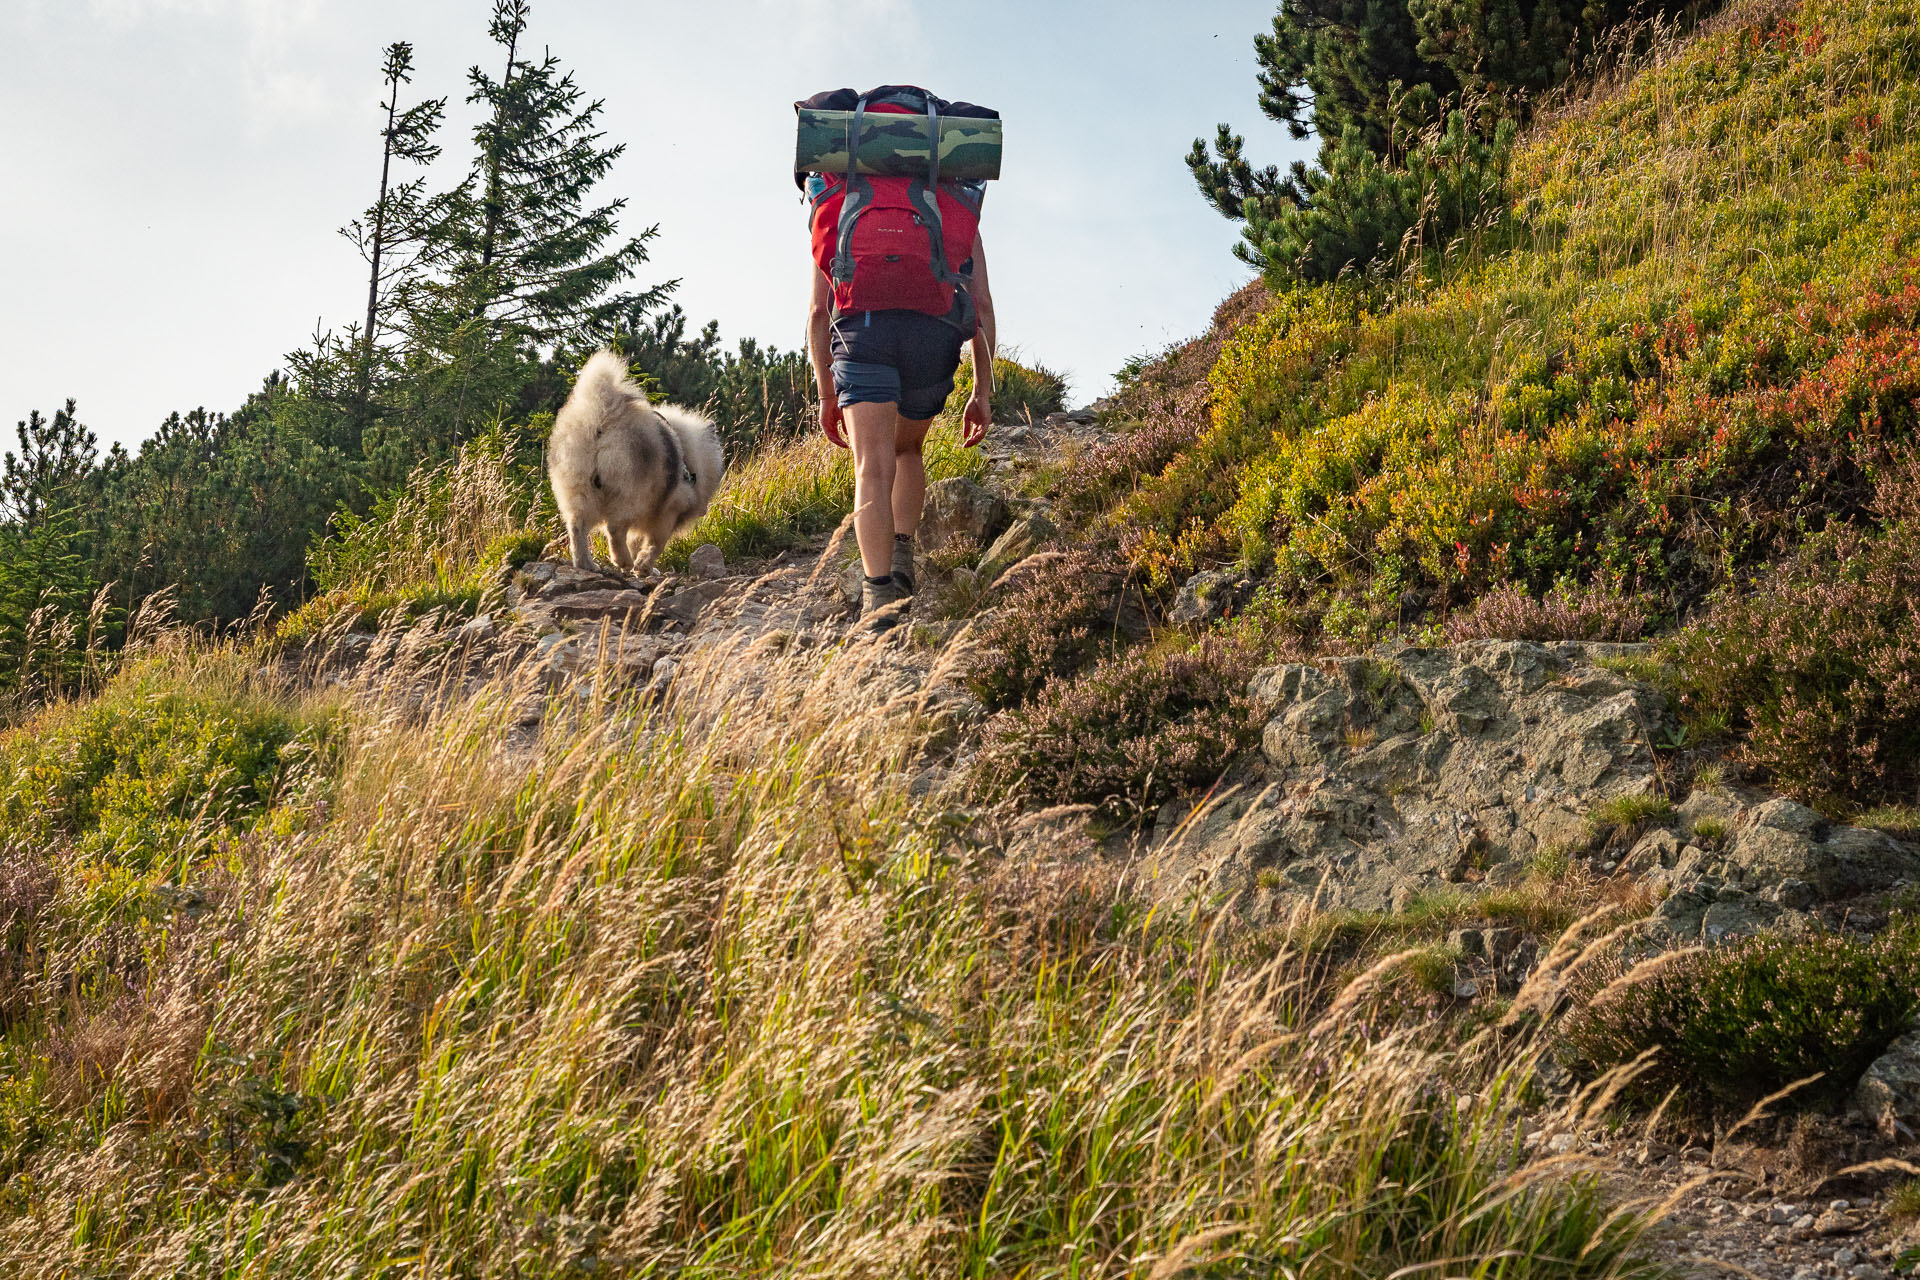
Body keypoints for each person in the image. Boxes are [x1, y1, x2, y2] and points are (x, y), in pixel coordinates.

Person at [805, 231, 995, 626]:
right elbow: (983, 308)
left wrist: (826, 396)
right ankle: (903, 558)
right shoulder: (948, 200)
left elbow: (818, 314)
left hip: (862, 335)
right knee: (906, 449)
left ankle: (878, 602)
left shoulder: (841, 200)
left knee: (871, 466)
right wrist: (981, 392)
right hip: (932, 337)